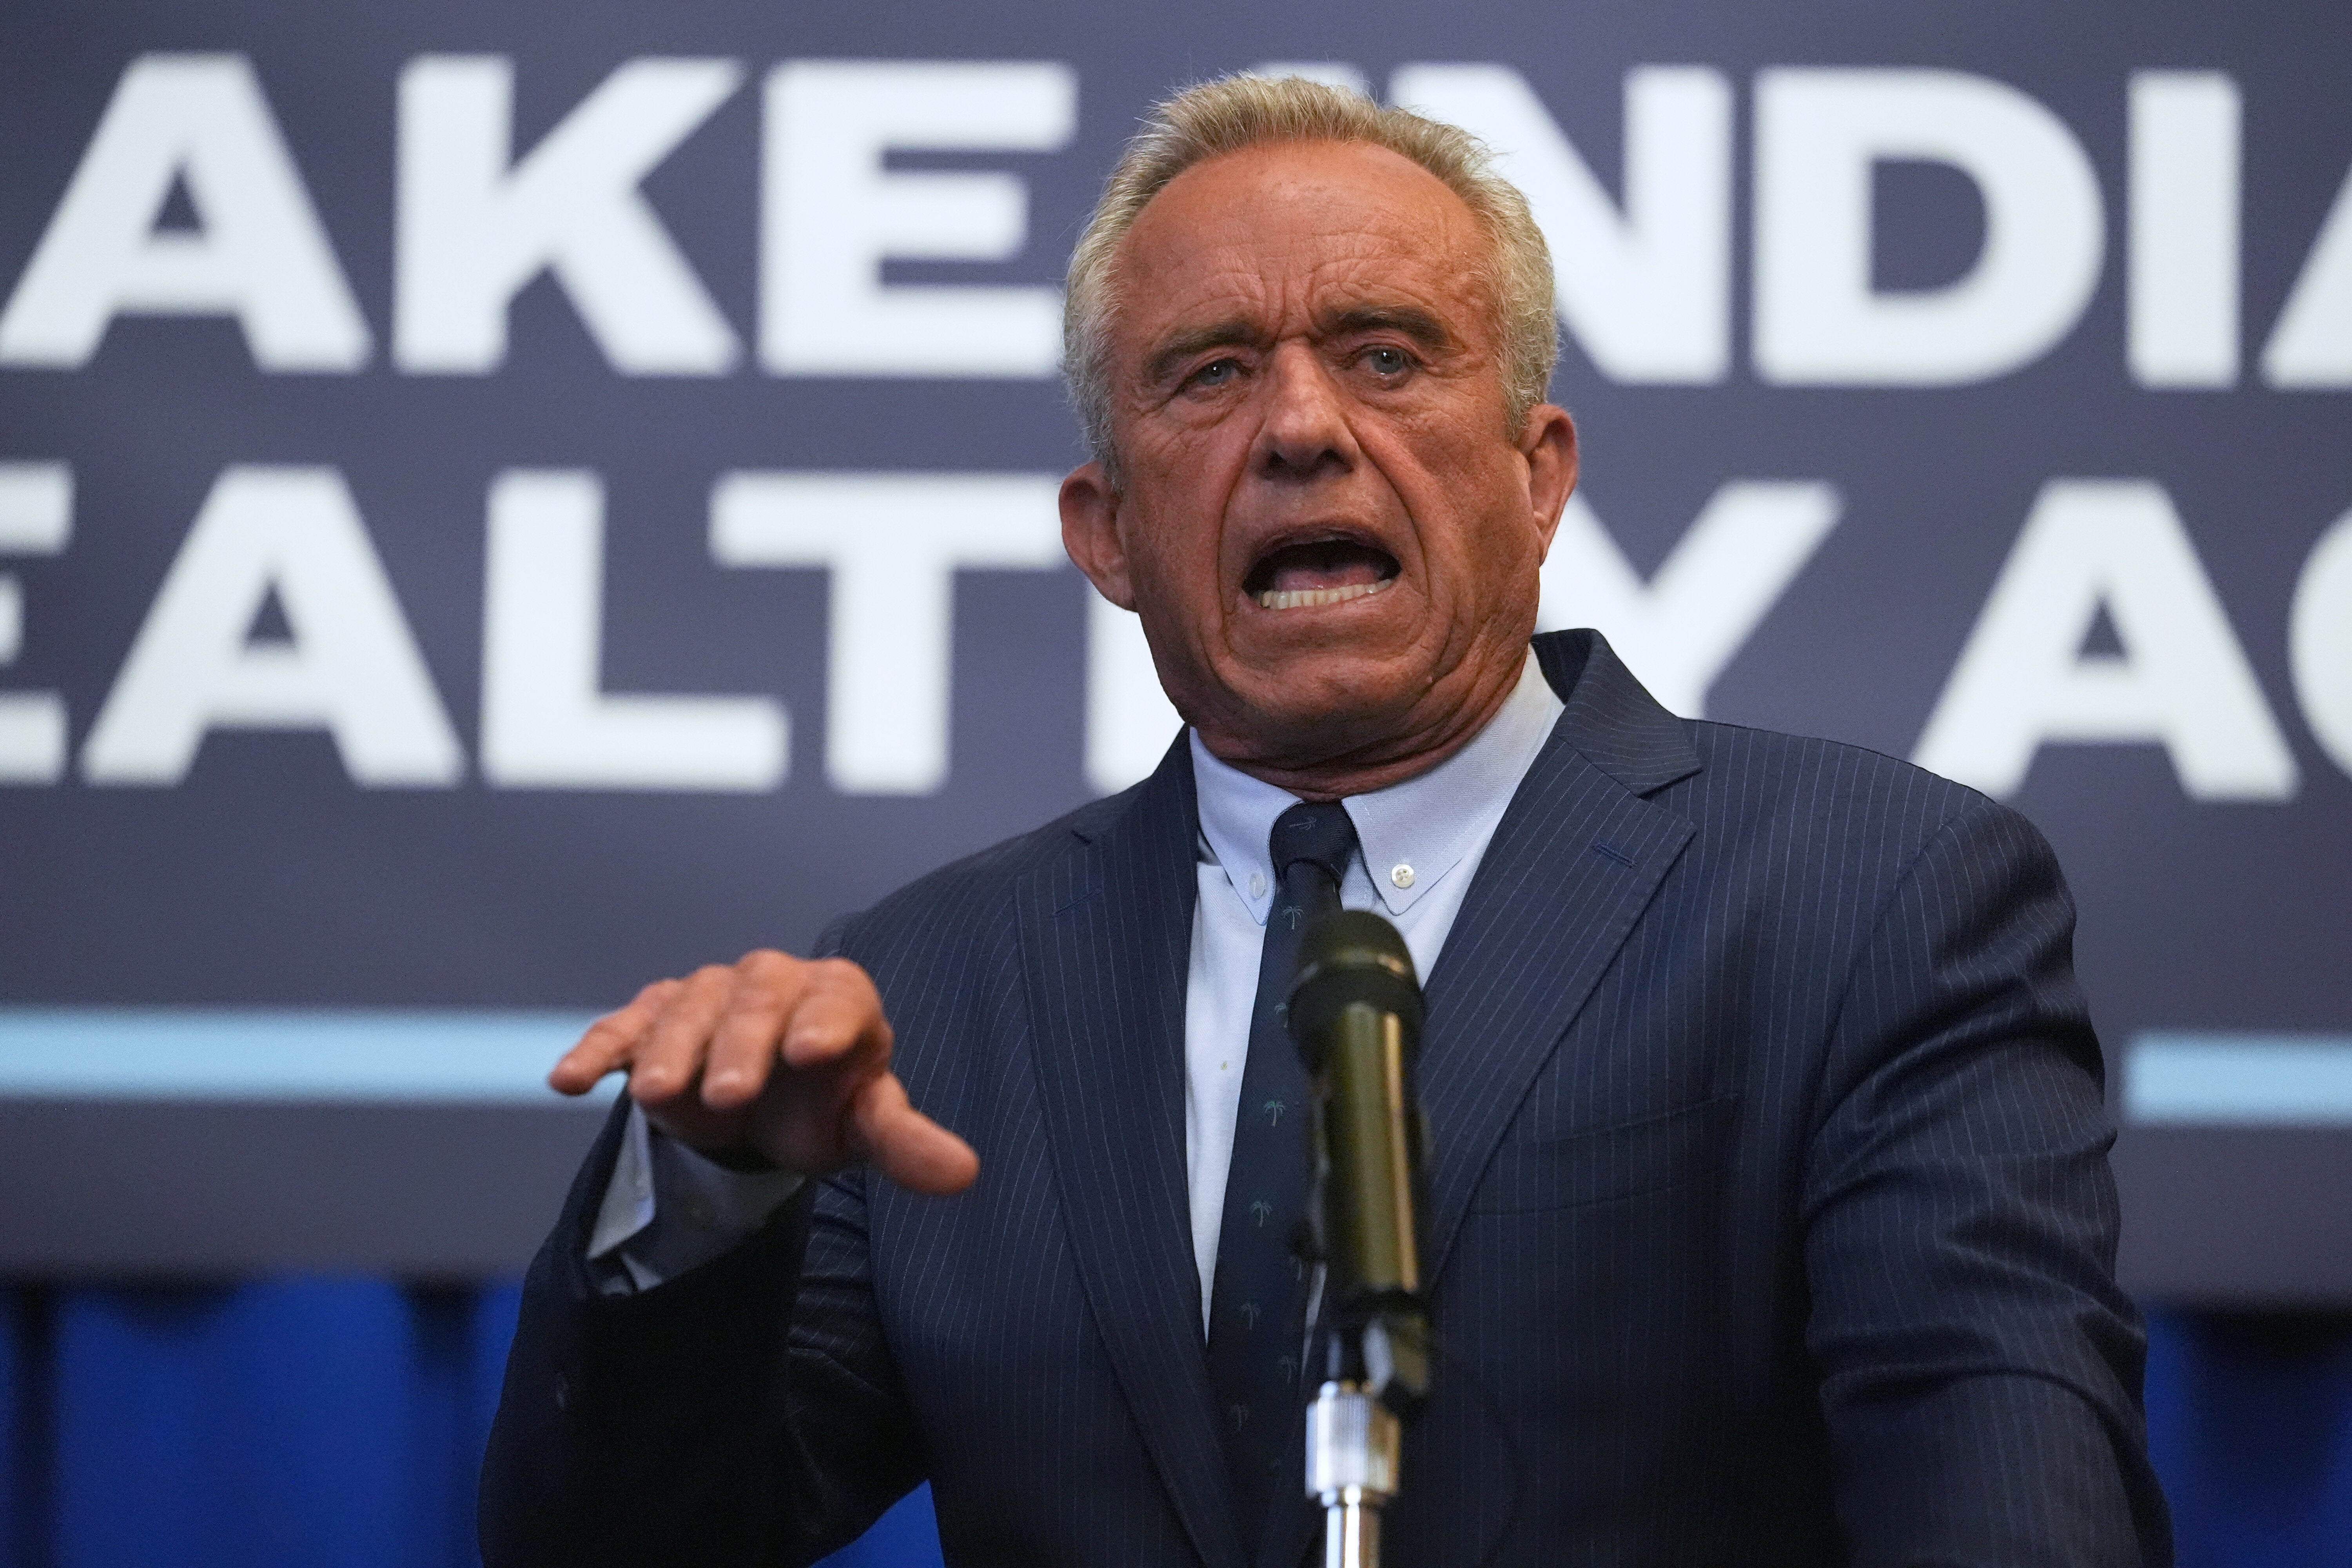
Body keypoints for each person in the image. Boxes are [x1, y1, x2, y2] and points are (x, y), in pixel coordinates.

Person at [480, 75, 2170, 1567]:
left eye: (1386, 355)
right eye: (1210, 376)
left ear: (1539, 472)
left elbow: (2010, 1499)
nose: (1300, 427)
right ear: (1110, 530)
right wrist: (704, 1189)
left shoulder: (1870, 897)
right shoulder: (939, 988)